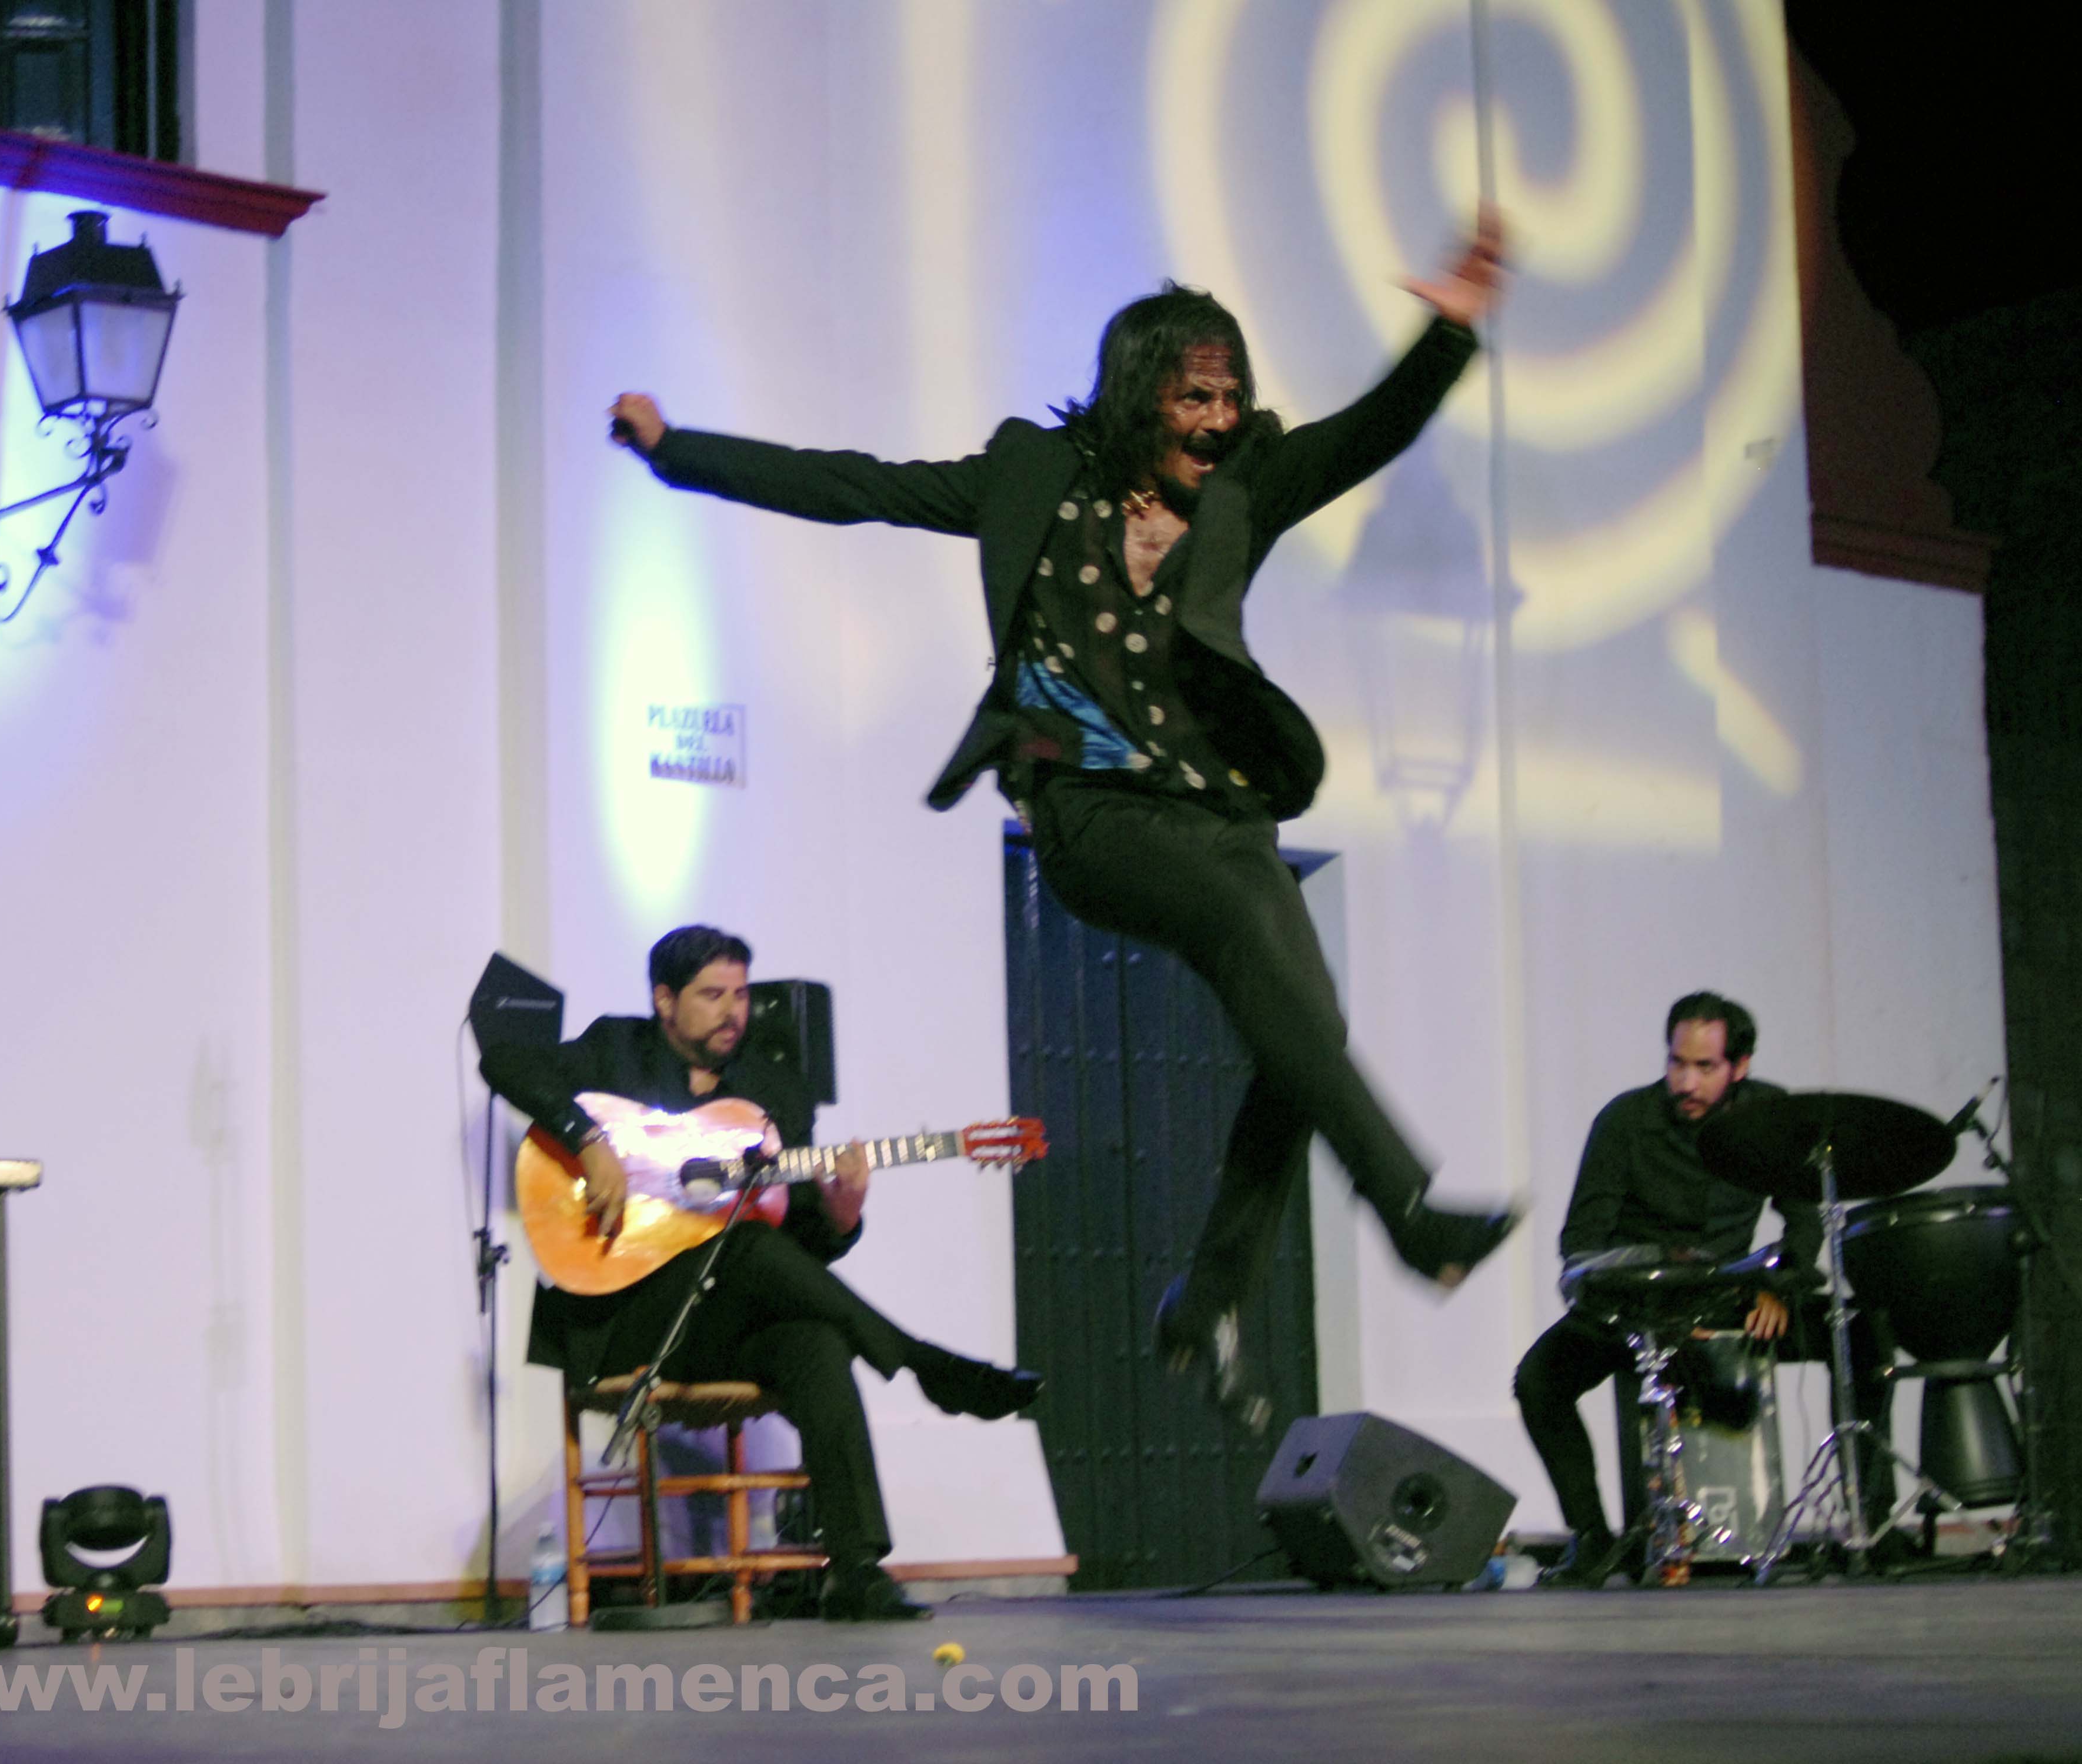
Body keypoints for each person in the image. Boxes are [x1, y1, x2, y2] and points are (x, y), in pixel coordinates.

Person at [603, 211, 1518, 1432]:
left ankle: (1208, 1301)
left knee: (1308, 1032)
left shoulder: (1247, 487)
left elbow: (1371, 431)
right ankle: (1407, 1211)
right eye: (1195, 398)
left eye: (1231, 397)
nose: (1219, 420)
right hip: (1088, 809)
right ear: (1141, 396)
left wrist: (1447, 333)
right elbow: (855, 486)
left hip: (1222, 807)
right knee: (1244, 946)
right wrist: (678, 453)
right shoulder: (1033, 481)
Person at [480, 924, 1041, 1622]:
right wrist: (588, 1141)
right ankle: (921, 1360)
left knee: (815, 1340)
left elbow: (799, 1252)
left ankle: (856, 1572)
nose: (734, 1012)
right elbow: (503, 1060)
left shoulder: (774, 1093)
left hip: (722, 1323)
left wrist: (841, 1216)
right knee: (745, 1245)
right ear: (665, 1001)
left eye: (742, 995)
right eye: (713, 995)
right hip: (628, 1319)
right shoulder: (616, 1049)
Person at [1514, 992, 1891, 1588]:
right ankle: (1593, 1540)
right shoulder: (1625, 1122)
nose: (1686, 1083)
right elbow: (1582, 1241)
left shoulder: (1769, 1116)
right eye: (1677, 1063)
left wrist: (1780, 1286)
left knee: (1861, 1335)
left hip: (1731, 1296)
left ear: (1739, 1067)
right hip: (1640, 1307)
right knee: (1538, 1381)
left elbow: (1803, 1220)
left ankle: (1872, 1525)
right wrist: (1640, 1294)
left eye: (1704, 1067)